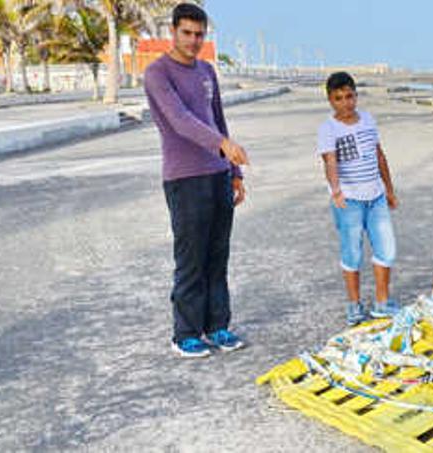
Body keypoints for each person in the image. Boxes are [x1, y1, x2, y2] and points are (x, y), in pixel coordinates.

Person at [144, 3, 248, 358]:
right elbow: (179, 120)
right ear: (173, 31)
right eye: (186, 33)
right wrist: (223, 145)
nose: (193, 40)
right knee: (191, 258)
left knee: (218, 257)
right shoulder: (158, 74)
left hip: (218, 176)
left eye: (199, 34)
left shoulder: (206, 71)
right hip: (185, 179)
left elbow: (218, 119)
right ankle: (185, 333)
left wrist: (235, 172)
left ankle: (217, 326)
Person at [316, 72, 401, 326]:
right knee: (352, 252)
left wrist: (389, 188)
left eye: (350, 96)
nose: (346, 103)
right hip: (349, 200)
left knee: (386, 248)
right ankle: (354, 305)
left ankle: (382, 302)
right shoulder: (328, 128)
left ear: (356, 95)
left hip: (375, 196)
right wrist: (336, 191)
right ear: (330, 100)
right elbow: (330, 161)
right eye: (338, 98)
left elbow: (379, 155)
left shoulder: (367, 120)